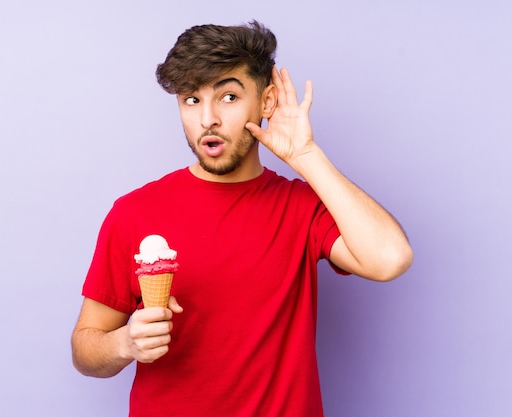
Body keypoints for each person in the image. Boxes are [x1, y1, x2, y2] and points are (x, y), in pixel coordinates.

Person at [71, 20, 413, 417]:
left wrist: (305, 156)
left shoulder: (302, 208)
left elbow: (391, 258)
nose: (207, 120)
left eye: (229, 97)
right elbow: (85, 348)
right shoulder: (135, 212)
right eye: (191, 100)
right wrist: (123, 344)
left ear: (266, 102)